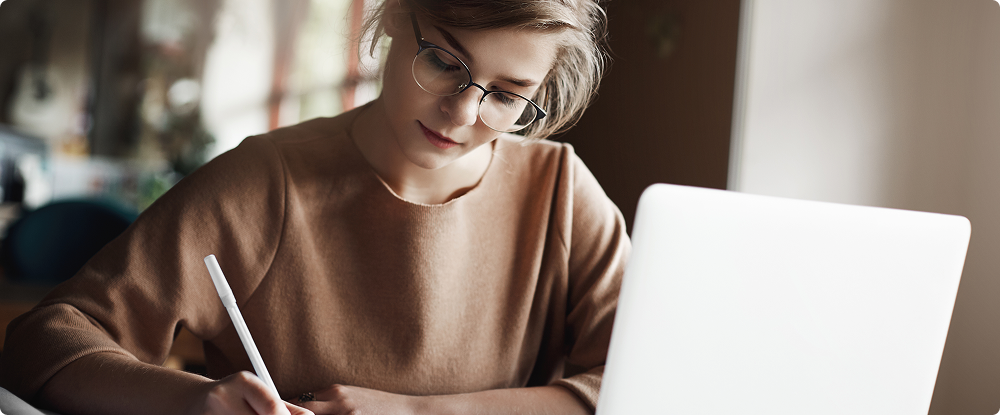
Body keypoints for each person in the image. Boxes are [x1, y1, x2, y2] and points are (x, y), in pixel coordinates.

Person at [0, 0, 629, 414]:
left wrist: (413, 411)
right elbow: (43, 344)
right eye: (443, 61)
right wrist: (190, 402)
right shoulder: (266, 181)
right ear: (392, 19)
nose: (464, 114)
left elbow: (634, 388)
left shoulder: (563, 196)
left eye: (507, 95)